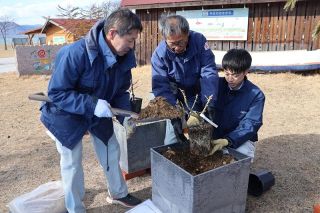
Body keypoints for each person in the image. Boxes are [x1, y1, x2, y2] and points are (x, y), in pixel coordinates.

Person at [40, 8, 143, 212]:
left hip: (99, 112)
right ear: (112, 33)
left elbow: (120, 91)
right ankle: (75, 207)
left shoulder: (123, 56)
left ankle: (119, 194)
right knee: (72, 161)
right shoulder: (75, 54)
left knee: (111, 149)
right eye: (130, 40)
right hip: (65, 114)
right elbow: (58, 93)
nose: (132, 46)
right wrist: (91, 105)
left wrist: (125, 117)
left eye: (134, 41)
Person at [151, 14, 219, 142]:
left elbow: (208, 71)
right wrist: (173, 114)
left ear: (187, 34)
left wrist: (209, 101)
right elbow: (161, 87)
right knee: (173, 138)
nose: (177, 48)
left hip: (195, 94)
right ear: (165, 38)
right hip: (173, 95)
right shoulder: (159, 55)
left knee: (199, 132)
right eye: (172, 44)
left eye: (180, 42)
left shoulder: (198, 41)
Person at [209, 48, 265, 160]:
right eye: (227, 73)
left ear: (245, 72)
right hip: (215, 135)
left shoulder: (255, 95)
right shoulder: (216, 85)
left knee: (238, 161)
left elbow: (251, 123)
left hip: (240, 138)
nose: (230, 79)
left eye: (235, 75)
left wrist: (229, 140)